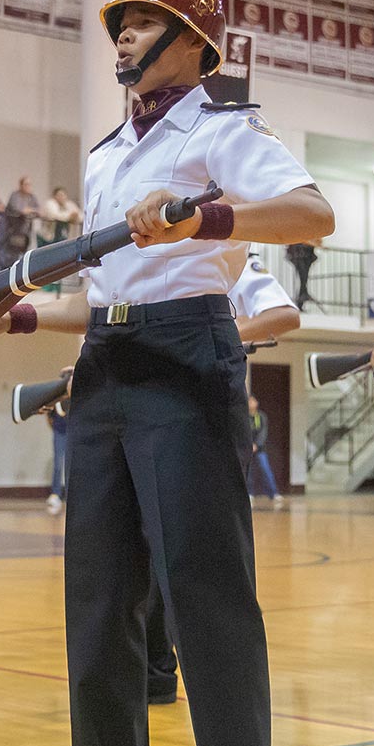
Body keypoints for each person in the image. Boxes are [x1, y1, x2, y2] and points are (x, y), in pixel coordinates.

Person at [0, 0, 333, 746]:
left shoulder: (223, 129)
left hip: (188, 354)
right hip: (111, 361)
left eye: (145, 22)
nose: (123, 38)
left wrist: (206, 215)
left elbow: (313, 212)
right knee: (100, 595)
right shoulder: (113, 150)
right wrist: (28, 320)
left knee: (206, 600)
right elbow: (108, 289)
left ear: (195, 39)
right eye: (121, 25)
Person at [143, 251, 300, 705]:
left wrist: (211, 333)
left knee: (202, 551)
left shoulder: (225, 255)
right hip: (148, 404)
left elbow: (282, 313)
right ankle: (156, 674)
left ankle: (224, 690)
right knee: (150, 544)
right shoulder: (145, 262)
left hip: (207, 405)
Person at [45, 370, 71, 516]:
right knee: (58, 464)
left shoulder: (74, 396)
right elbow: (49, 416)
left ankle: (69, 494)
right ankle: (56, 493)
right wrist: (55, 429)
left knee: (70, 464)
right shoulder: (56, 398)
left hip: (72, 432)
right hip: (59, 433)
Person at [3, 176, 42, 261]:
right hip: (15, 230)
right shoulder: (15, 195)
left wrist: (31, 210)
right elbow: (20, 209)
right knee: (14, 256)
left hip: (27, 231)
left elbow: (39, 210)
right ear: (21, 185)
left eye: (29, 184)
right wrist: (29, 210)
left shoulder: (32, 197)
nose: (28, 187)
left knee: (27, 253)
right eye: (26, 184)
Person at [284, 238, 319, 308]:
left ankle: (302, 299)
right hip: (298, 253)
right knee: (303, 277)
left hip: (307, 254)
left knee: (304, 278)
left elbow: (317, 241)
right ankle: (302, 298)